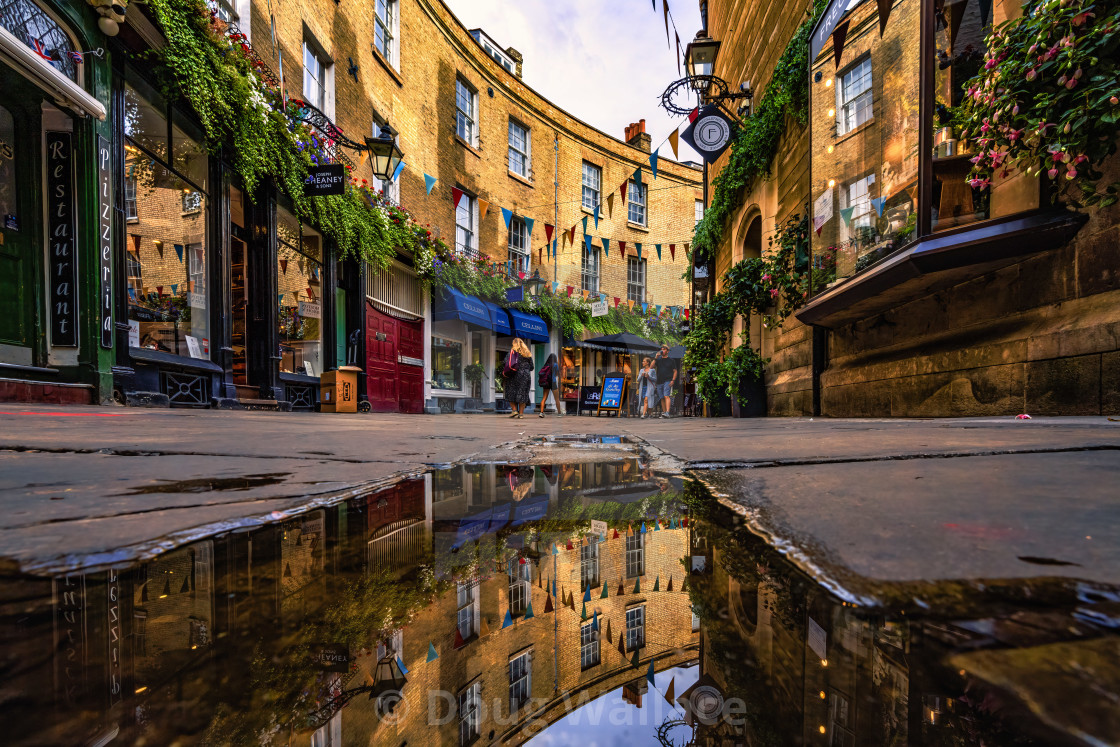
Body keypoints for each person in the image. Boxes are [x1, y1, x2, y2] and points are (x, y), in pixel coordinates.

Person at [503, 337, 535, 419]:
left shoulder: (512, 353)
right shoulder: (527, 354)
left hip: (514, 374)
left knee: (511, 391)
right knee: (523, 393)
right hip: (525, 376)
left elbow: (505, 362)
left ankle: (514, 411)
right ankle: (521, 414)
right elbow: (532, 367)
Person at [654, 344, 678, 418]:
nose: (662, 350)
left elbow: (675, 371)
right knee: (661, 398)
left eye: (664, 349)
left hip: (668, 380)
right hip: (659, 381)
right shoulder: (658, 360)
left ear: (667, 351)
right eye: (662, 349)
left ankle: (667, 412)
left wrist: (673, 380)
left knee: (666, 395)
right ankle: (664, 413)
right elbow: (651, 366)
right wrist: (656, 357)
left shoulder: (671, 360)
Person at [537, 352, 562, 418]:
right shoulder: (555, 365)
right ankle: (559, 413)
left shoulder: (546, 365)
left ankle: (541, 412)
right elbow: (557, 374)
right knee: (556, 399)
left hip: (546, 382)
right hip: (553, 382)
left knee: (544, 398)